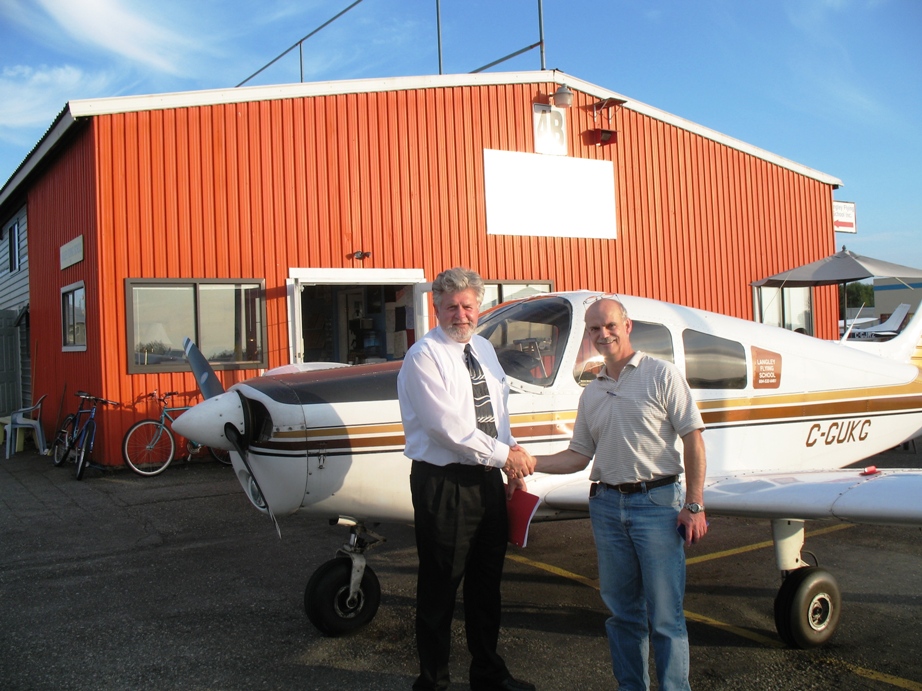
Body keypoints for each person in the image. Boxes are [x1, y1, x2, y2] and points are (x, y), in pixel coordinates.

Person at [534, 297, 707, 691]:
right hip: (607, 508)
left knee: (665, 617)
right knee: (623, 615)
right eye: (594, 329)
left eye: (609, 325)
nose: (603, 334)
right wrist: (529, 460)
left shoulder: (661, 374)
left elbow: (693, 440)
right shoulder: (591, 393)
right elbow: (577, 456)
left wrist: (694, 504)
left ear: (627, 327)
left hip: (657, 505)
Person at [397, 267, 537, 691]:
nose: (461, 314)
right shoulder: (424, 356)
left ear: (479, 307)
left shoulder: (484, 350)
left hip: (488, 481)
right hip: (444, 484)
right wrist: (507, 458)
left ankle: (488, 674)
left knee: (486, 585)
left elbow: (497, 415)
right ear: (436, 307)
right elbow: (447, 428)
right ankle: (433, 682)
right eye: (451, 306)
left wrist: (508, 466)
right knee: (440, 589)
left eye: (468, 306)